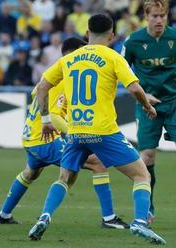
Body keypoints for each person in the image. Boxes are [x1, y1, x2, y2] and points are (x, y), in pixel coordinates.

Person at [28, 14, 166, 245]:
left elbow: (42, 87)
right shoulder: (112, 56)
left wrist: (45, 120)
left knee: (65, 177)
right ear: (112, 35)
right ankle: (140, 223)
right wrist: (147, 106)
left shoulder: (69, 59)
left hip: (76, 131)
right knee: (142, 174)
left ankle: (45, 216)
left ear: (87, 33)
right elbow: (133, 88)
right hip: (103, 131)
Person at [0, 37, 129, 230]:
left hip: (30, 137)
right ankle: (109, 218)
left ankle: (4, 214)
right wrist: (74, 133)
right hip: (46, 138)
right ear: (71, 54)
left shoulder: (51, 75)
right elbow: (56, 116)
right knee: (98, 163)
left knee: (30, 173)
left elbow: (37, 94)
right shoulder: (66, 77)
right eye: (82, 53)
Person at [121, 0, 176, 222]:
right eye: (154, 16)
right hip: (147, 106)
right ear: (146, 16)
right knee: (147, 155)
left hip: (174, 102)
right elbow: (121, 75)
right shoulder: (133, 42)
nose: (159, 20)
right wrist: (143, 96)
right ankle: (149, 207)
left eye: (162, 16)